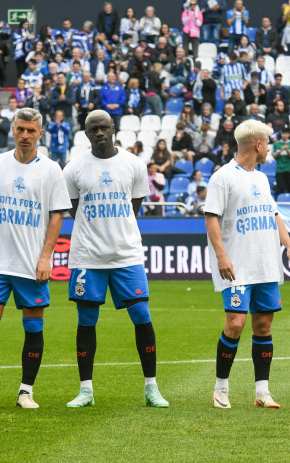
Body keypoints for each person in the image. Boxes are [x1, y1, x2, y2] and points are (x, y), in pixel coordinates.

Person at [0, 108, 69, 410]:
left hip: (31, 263)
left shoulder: (51, 169)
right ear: (12, 129)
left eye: (31, 131)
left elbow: (57, 215)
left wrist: (46, 256)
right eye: (20, 129)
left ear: (40, 134)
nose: (24, 135)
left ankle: (26, 391)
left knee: (33, 328)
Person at [63, 110, 169, 409]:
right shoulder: (73, 168)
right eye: (93, 129)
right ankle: (86, 390)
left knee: (141, 316)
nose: (99, 133)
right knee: (86, 320)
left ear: (113, 129)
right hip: (87, 256)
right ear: (86, 134)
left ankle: (151, 388)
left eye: (103, 128)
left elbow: (134, 206)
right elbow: (74, 209)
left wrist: (115, 232)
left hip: (126, 255)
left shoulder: (134, 164)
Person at [204, 120, 290, 409]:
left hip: (266, 264)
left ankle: (262, 392)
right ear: (258, 145)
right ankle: (221, 388)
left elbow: (273, 215)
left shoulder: (260, 178)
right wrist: (221, 255)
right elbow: (211, 217)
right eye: (267, 143)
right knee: (235, 324)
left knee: (263, 325)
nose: (269, 147)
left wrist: (289, 244)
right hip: (237, 265)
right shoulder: (223, 177)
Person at [272, 129, 290, 195]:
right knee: (281, 189)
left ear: (289, 135)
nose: (284, 135)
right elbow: (274, 156)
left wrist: (287, 150)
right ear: (281, 134)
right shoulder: (276, 144)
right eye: (283, 133)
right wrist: (281, 150)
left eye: (286, 134)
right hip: (280, 169)